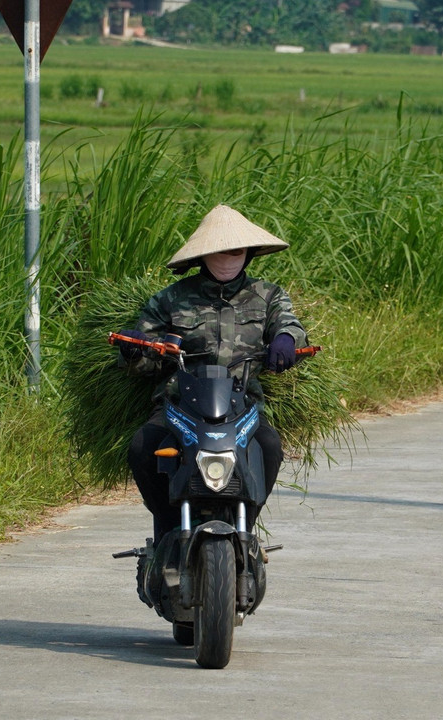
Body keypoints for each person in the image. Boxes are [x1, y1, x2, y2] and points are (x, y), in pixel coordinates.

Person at [117, 205, 309, 539]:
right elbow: (144, 357)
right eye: (220, 250)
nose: (229, 256)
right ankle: (167, 528)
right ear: (203, 255)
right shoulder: (171, 299)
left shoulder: (268, 295)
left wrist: (286, 340)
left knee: (269, 445)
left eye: (236, 249)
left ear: (248, 253)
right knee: (142, 446)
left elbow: (289, 324)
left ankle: (245, 529)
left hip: (241, 404)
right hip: (181, 404)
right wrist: (136, 348)